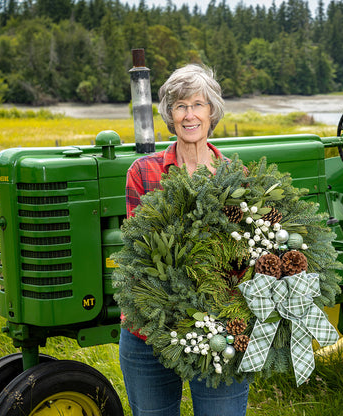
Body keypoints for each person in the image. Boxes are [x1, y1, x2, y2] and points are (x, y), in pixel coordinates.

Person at [119, 64, 249, 416]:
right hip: (150, 332)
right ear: (170, 115)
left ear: (212, 112)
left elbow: (244, 259)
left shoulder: (237, 178)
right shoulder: (144, 172)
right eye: (180, 106)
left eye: (198, 104)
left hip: (221, 331)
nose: (189, 115)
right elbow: (142, 253)